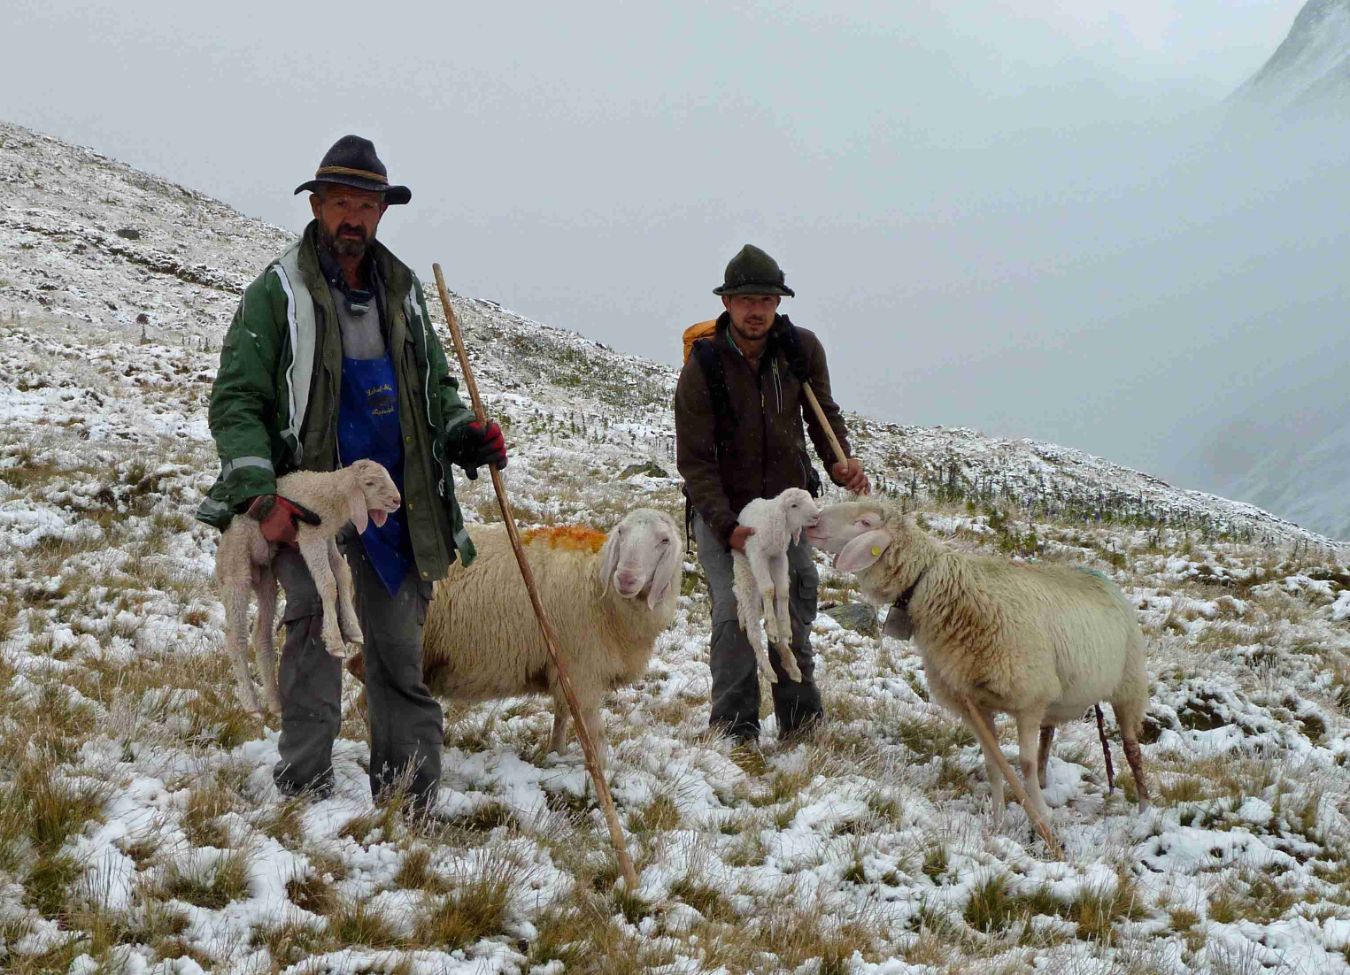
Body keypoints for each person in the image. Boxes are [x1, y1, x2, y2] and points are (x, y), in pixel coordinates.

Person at [197, 135, 506, 810]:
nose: (354, 219)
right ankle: (304, 790)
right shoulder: (278, 292)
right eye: (342, 203)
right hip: (313, 505)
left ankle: (409, 795)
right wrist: (257, 493)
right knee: (313, 635)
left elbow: (436, 388)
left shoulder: (403, 292)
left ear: (382, 213)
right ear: (316, 204)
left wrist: (462, 433)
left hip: (395, 502)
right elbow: (237, 400)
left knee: (398, 648)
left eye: (368, 206)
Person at [675, 244, 869, 746]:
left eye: (765, 299)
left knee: (794, 605)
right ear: (727, 303)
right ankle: (735, 731)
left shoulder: (800, 349)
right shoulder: (705, 364)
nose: (755, 310)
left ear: (778, 302)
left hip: (786, 512)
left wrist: (838, 461)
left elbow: (822, 415)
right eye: (745, 300)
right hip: (727, 511)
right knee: (737, 615)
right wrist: (724, 526)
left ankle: (800, 724)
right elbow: (694, 459)